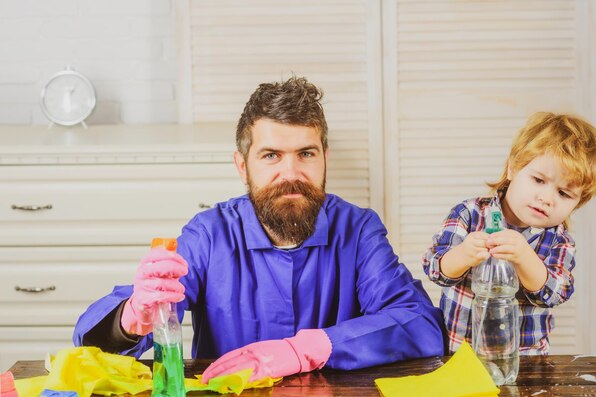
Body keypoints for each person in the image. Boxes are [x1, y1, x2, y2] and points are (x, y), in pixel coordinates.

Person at [74, 76, 446, 382]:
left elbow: (419, 324)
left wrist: (307, 348)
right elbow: (91, 342)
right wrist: (131, 317)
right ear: (242, 165)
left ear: (324, 158)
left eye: (306, 153)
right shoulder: (209, 235)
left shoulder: (358, 230)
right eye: (271, 156)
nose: (291, 173)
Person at [422, 112, 596, 355]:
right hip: (458, 352)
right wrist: (464, 254)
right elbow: (436, 270)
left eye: (564, 194)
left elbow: (553, 294)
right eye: (539, 180)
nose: (547, 198)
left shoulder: (559, 241)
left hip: (525, 359)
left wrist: (524, 257)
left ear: (578, 202)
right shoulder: (468, 214)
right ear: (512, 168)